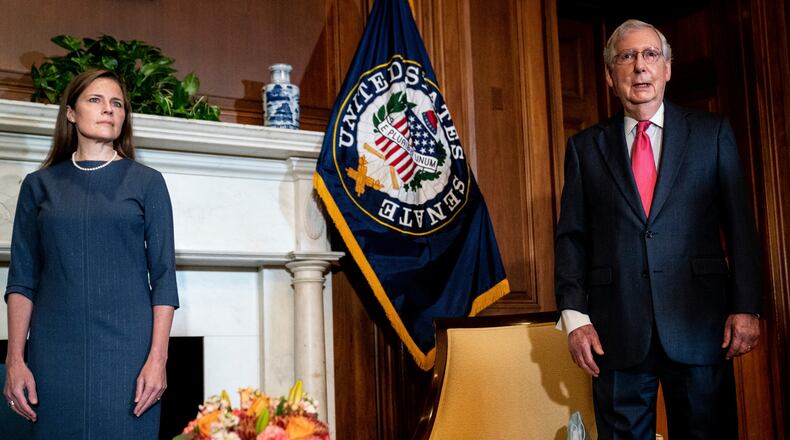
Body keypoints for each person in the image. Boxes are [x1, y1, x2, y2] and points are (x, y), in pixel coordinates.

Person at [555, 19, 762, 439]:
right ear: (610, 74)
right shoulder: (584, 148)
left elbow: (740, 226)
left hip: (701, 326)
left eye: (650, 55)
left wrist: (746, 305)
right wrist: (575, 318)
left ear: (668, 68)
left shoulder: (712, 133)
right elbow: (572, 237)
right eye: (627, 57)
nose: (640, 67)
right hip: (616, 333)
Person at [3, 69, 179, 438]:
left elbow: (163, 278)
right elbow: (22, 279)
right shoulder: (39, 186)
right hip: (53, 353)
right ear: (70, 113)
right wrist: (15, 361)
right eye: (95, 100)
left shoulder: (148, 182)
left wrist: (158, 359)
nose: (108, 110)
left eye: (117, 103)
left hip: (129, 353)